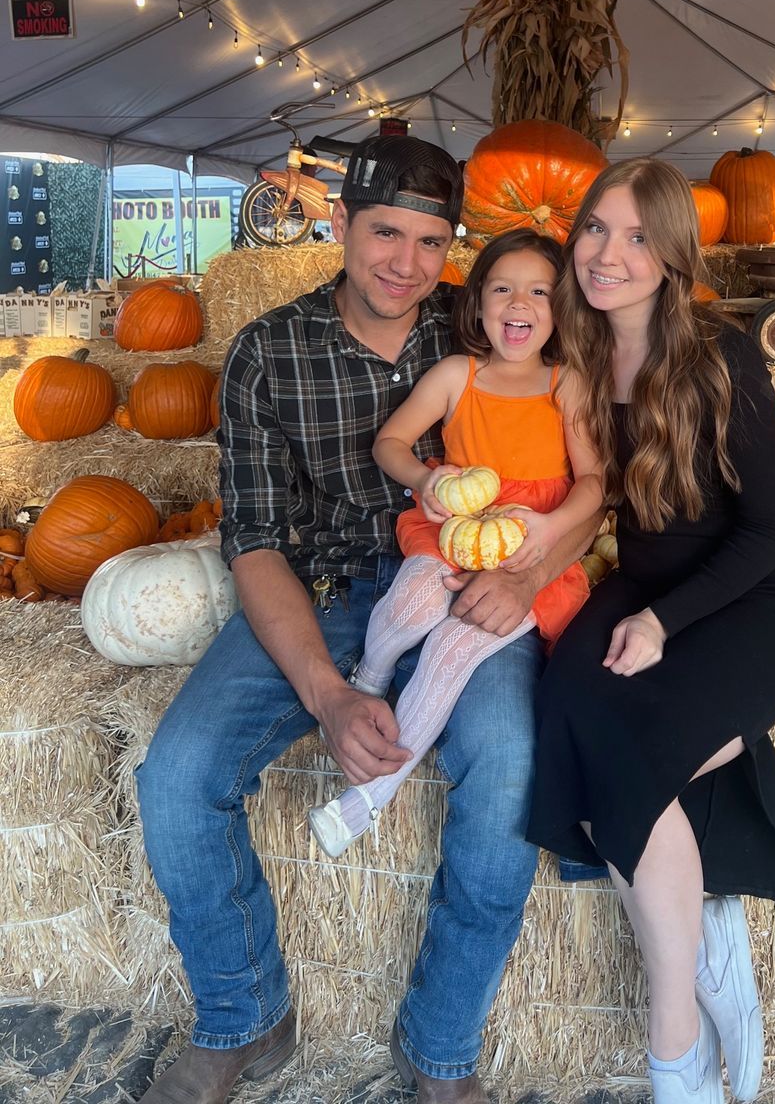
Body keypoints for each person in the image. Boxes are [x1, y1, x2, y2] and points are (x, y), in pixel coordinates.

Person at [135, 136, 595, 1104]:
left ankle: (439, 1047)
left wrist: (536, 567)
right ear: (338, 224)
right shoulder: (269, 351)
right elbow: (252, 540)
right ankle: (243, 1015)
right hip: (322, 593)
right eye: (386, 231)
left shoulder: (486, 331)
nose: (406, 263)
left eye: (432, 242)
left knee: (509, 771)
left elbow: (596, 468)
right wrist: (329, 696)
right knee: (177, 776)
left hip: (463, 593)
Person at [525, 158, 775, 1103]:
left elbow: (773, 529)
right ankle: (710, 939)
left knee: (626, 757)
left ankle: (678, 1042)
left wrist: (660, 622)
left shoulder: (719, 353)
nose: (607, 255)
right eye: (593, 231)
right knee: (566, 714)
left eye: (635, 237)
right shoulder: (571, 353)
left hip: (757, 595)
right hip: (649, 580)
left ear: (671, 256)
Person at [308, 228, 603, 856]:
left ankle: (372, 796)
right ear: (477, 305)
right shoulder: (456, 375)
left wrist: (550, 528)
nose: (518, 303)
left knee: (453, 648)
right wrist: (426, 476)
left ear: (562, 309)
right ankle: (371, 677)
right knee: (415, 600)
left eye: (538, 292)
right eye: (502, 288)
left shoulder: (566, 385)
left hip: (529, 553)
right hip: (457, 533)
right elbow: (390, 442)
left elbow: (596, 483)